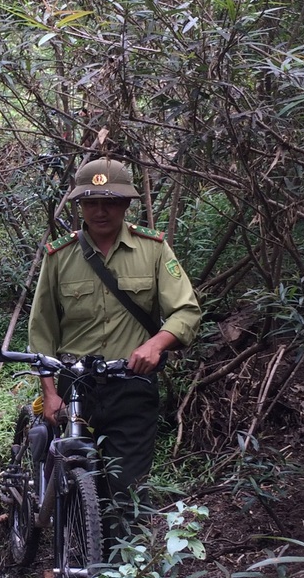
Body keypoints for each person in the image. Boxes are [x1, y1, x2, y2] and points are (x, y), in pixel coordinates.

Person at [27, 157, 201, 541]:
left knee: (124, 490)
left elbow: (186, 310)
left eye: (110, 201)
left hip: (131, 385)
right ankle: (73, 559)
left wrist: (156, 343)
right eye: (91, 202)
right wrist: (50, 392)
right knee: (73, 479)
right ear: (80, 206)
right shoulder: (60, 256)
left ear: (126, 205)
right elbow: (42, 330)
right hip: (77, 384)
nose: (100, 211)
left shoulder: (153, 249)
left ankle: (118, 574)